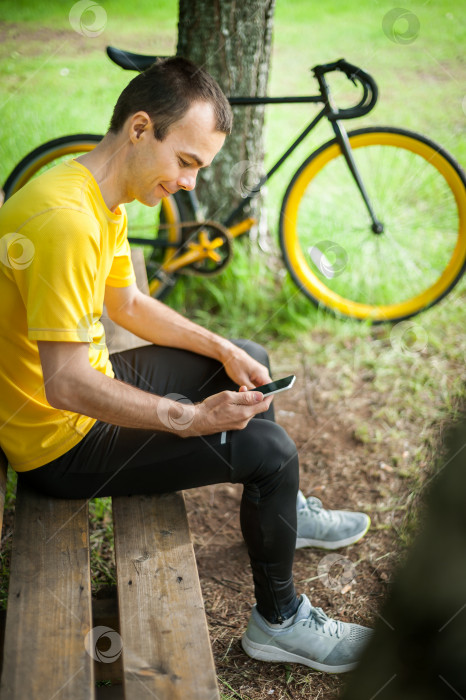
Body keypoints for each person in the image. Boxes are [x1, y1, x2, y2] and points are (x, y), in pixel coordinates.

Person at [0, 56, 371, 673]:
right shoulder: (64, 221)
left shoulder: (96, 191)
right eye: (187, 162)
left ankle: (283, 507)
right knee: (270, 452)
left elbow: (127, 303)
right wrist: (189, 418)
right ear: (141, 129)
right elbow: (64, 384)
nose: (192, 183)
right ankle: (277, 623)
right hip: (57, 447)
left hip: (79, 398)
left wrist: (222, 348)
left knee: (246, 360)